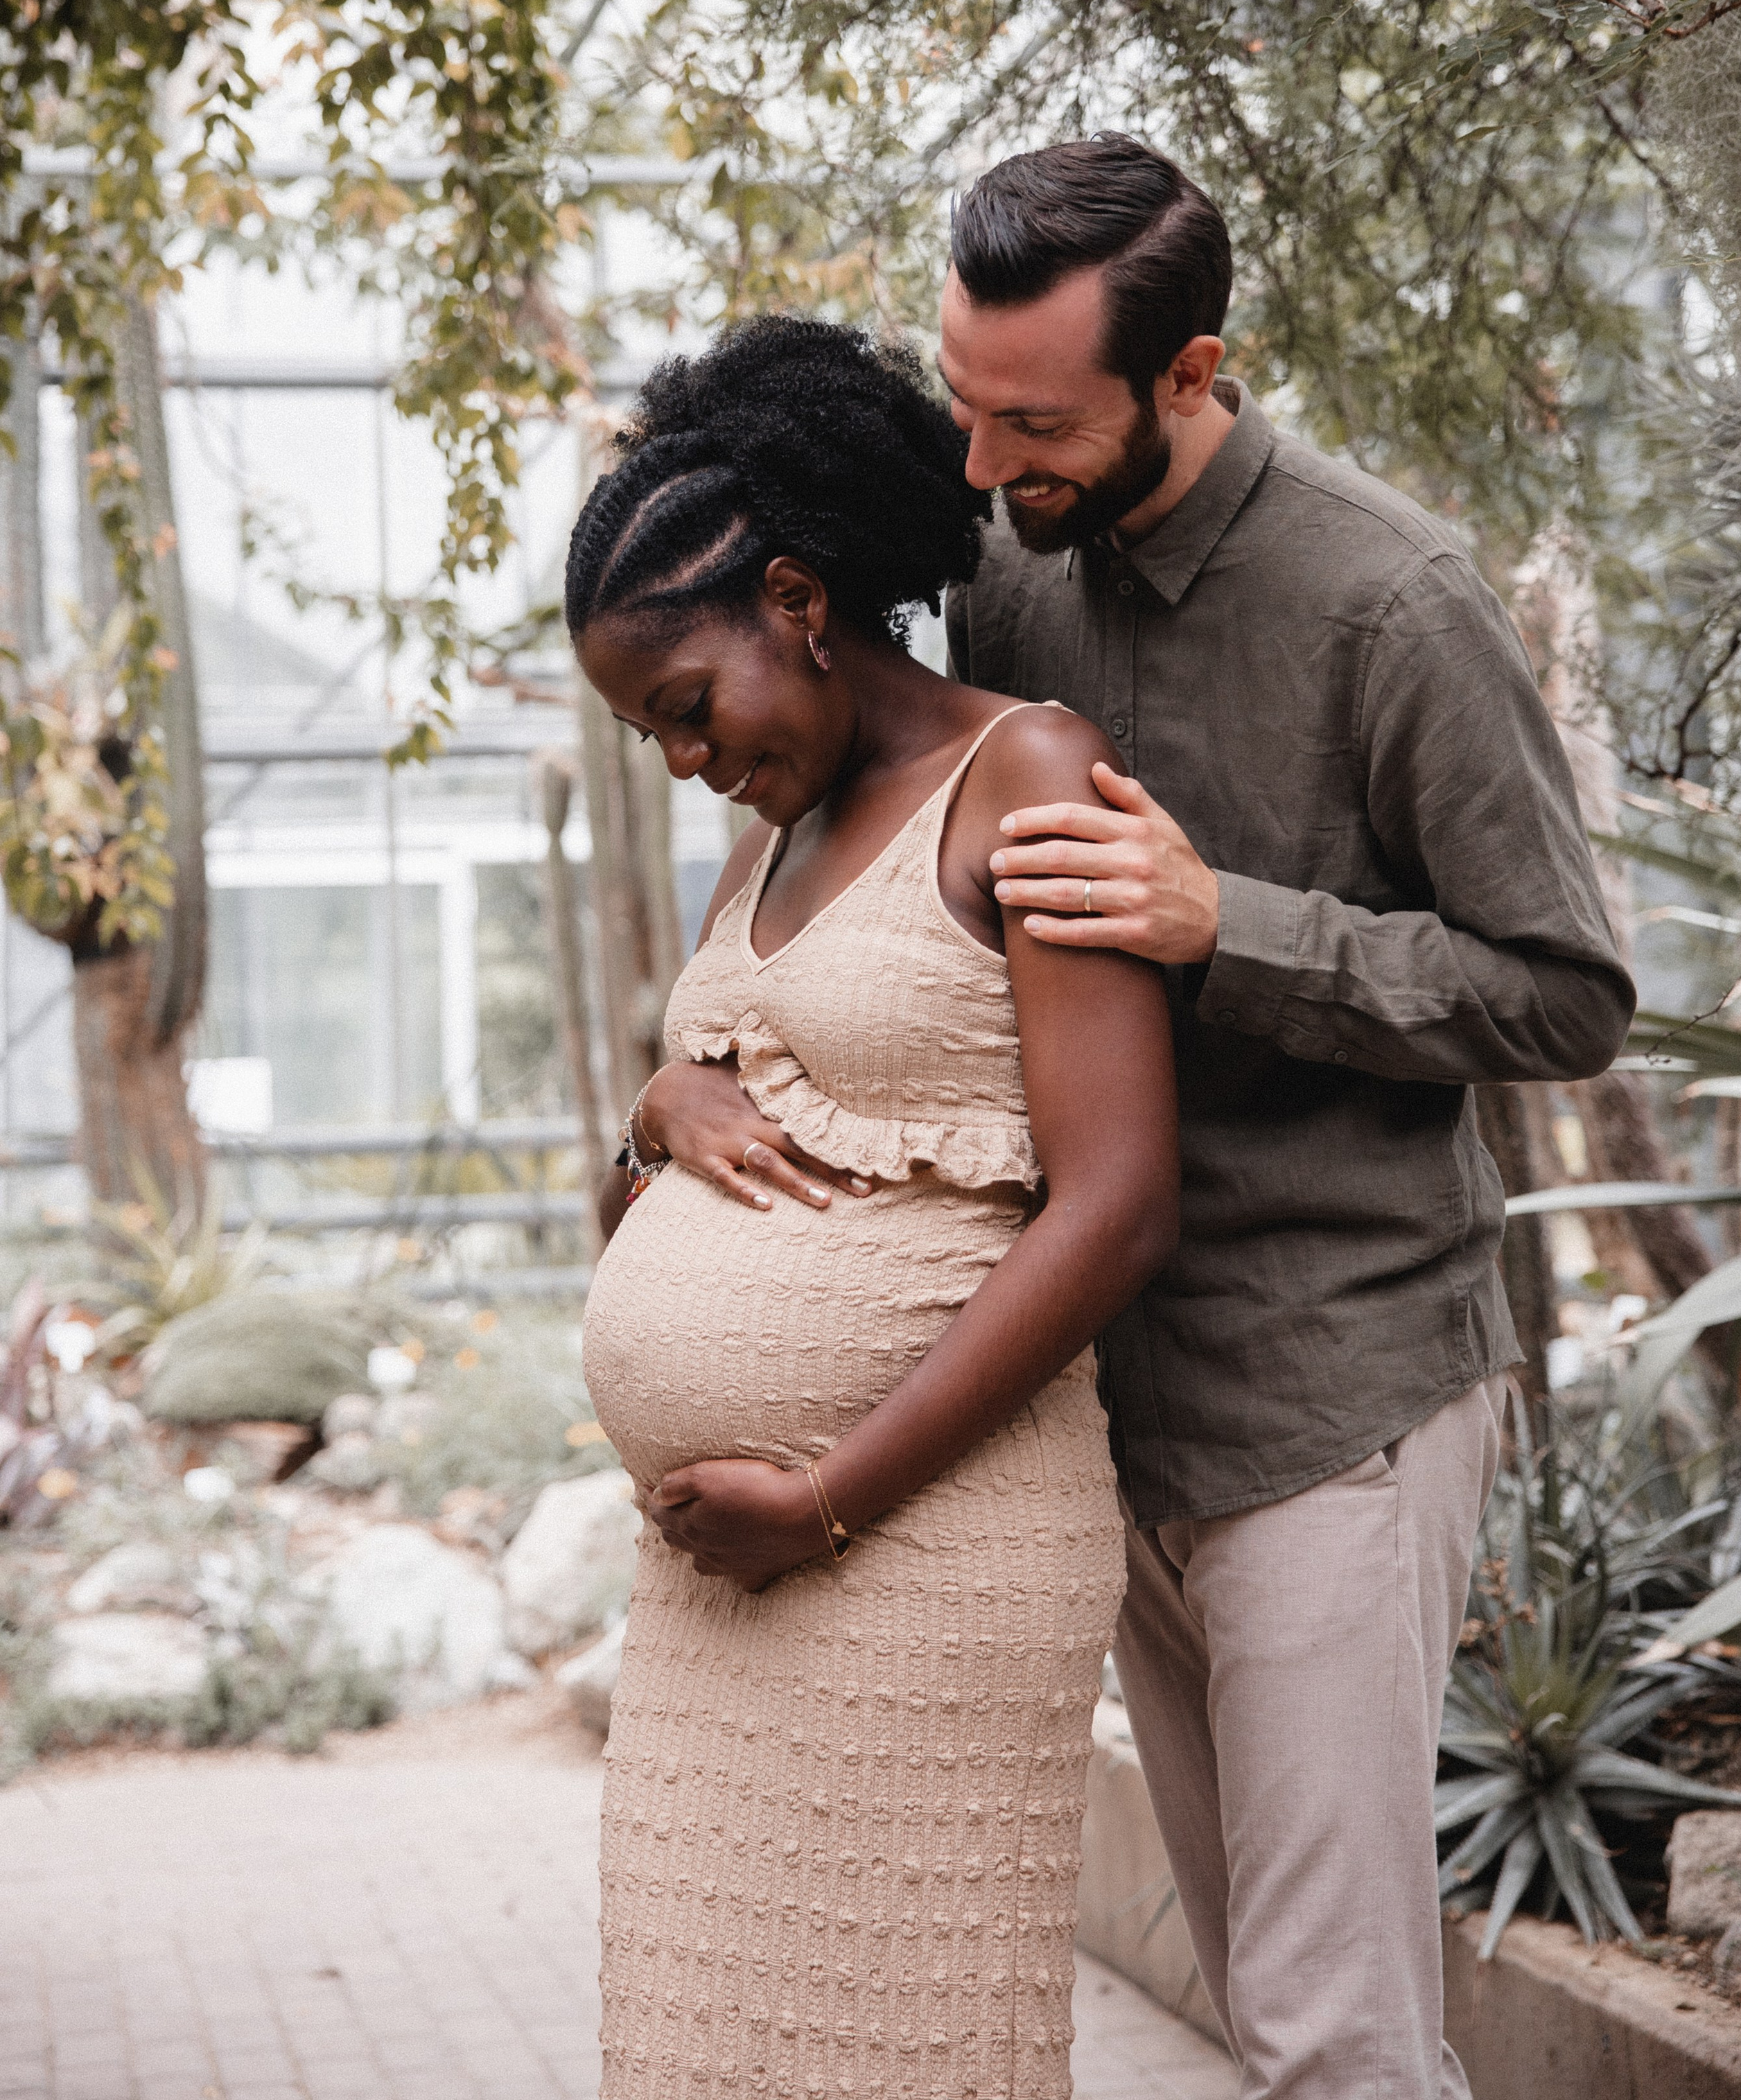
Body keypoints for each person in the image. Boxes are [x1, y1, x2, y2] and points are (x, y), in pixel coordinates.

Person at [647, 139, 1638, 2099]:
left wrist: (1234, 930)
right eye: (961, 396)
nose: (980, 460)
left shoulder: (1396, 602)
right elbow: (882, 886)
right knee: (1264, 2012)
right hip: (1105, 1416)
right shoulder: (1004, 571)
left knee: (1332, 2034)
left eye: (1033, 420)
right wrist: (695, 1069)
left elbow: (1568, 993)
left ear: (1192, 374)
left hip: (1329, 1397)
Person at [566, 315, 1182, 2100]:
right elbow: (658, 1191)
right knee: (698, 2050)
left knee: (909, 2049)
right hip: (715, 1584)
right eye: (651, 738)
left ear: (794, 598)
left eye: (688, 707)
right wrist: (651, 1114)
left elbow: (1118, 1203)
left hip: (920, 1549)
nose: (687, 761)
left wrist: (825, 1497)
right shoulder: (761, 839)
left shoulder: (1026, 777)